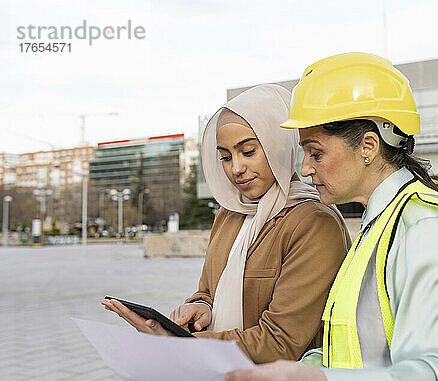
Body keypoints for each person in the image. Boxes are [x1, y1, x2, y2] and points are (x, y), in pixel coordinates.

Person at [225, 54, 438, 381]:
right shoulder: (380, 223)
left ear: (368, 146)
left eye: (315, 152)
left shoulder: (423, 227)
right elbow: (357, 347)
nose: (305, 169)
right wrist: (309, 367)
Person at [102, 84, 350, 364]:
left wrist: (182, 343)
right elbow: (209, 289)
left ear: (280, 145)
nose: (236, 168)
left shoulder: (314, 224)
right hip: (220, 372)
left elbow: (281, 342)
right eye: (225, 156)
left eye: (248, 151)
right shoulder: (230, 214)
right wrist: (200, 307)